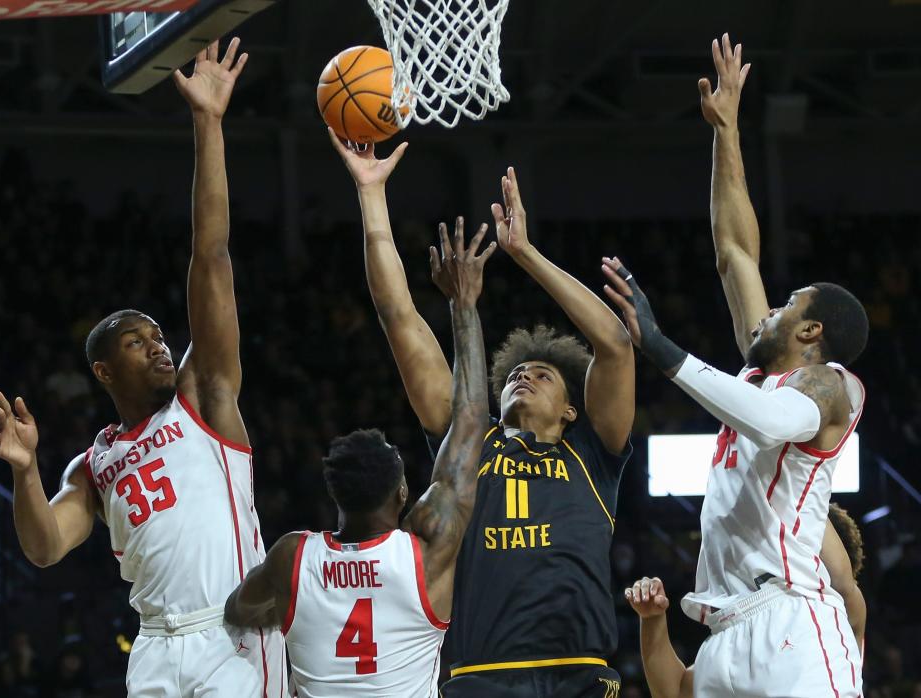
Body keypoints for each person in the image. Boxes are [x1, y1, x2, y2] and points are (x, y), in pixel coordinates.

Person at [0, 39, 284, 697]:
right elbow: (42, 548)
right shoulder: (92, 465)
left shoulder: (202, 398)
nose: (157, 345)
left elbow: (212, 256)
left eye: (157, 335)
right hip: (152, 643)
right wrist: (27, 472)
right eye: (135, 341)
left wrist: (208, 122)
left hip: (230, 632)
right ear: (102, 371)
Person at [601, 34, 868, 698]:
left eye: (785, 305)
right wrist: (726, 131)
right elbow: (733, 252)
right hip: (722, 636)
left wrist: (662, 350)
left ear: (811, 331)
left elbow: (772, 423)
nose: (768, 310)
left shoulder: (831, 388)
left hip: (793, 626)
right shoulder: (759, 375)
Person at [329, 129, 634, 696]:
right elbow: (399, 317)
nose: (524, 374)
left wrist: (525, 253)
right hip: (480, 676)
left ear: (572, 410)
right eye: (517, 372)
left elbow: (614, 344)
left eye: (544, 375)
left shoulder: (595, 455)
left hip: (580, 675)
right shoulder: (468, 443)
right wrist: (372, 195)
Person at [224, 220, 493, 696]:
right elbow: (470, 418)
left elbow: (238, 612)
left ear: (335, 492)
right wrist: (463, 305)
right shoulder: (426, 550)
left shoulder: (293, 555)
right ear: (404, 492)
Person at [624, 503, 868, 698]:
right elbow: (673, 692)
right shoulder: (746, 632)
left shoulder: (841, 611)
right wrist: (652, 618)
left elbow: (843, 583)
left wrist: (794, 490)